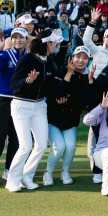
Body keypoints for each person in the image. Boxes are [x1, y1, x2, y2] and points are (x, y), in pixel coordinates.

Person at [6, 29, 63, 192]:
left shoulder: (49, 61)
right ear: (47, 43)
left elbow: (52, 87)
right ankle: (12, 180)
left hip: (39, 106)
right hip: (21, 105)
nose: (55, 45)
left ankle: (26, 176)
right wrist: (28, 80)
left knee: (40, 145)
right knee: (25, 146)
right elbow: (14, 84)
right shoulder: (27, 59)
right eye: (53, 42)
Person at [43, 46, 94, 186]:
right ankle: (48, 172)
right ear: (71, 58)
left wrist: (90, 82)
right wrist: (69, 73)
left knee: (71, 146)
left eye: (85, 58)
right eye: (78, 57)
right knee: (59, 147)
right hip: (53, 119)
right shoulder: (61, 71)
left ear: (89, 60)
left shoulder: (87, 78)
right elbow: (57, 94)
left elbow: (86, 103)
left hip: (70, 121)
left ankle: (65, 172)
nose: (81, 60)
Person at [0, 27, 28, 187]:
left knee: (16, 139)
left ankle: (9, 171)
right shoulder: (5, 53)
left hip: (21, 101)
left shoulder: (29, 57)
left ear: (26, 39)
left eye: (21, 37)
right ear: (11, 39)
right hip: (2, 99)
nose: (18, 40)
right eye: (15, 37)